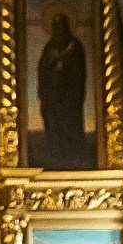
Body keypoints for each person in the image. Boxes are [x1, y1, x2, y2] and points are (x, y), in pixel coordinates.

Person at [37, 11, 89, 167]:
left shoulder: (75, 46)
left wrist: (63, 69)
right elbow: (43, 70)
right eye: (55, 27)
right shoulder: (49, 47)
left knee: (70, 123)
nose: (58, 30)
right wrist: (45, 89)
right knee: (53, 123)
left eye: (60, 27)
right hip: (52, 96)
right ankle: (56, 153)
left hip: (68, 97)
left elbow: (79, 73)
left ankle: (73, 154)